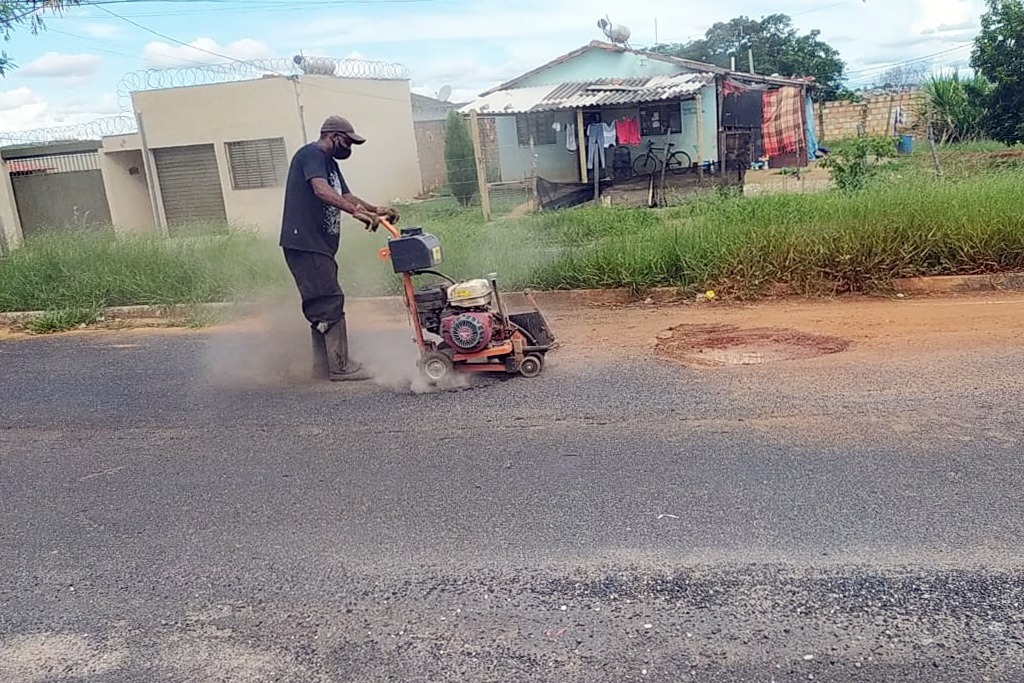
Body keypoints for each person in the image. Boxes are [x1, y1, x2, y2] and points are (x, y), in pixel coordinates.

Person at [279, 115, 400, 382]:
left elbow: (346, 196)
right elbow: (321, 191)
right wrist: (357, 214)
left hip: (318, 245)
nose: (350, 148)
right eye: (348, 142)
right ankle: (341, 366)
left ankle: (323, 367)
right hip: (305, 243)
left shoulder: (330, 164)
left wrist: (375, 210)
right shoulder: (311, 154)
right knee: (329, 300)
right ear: (333, 136)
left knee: (322, 301)